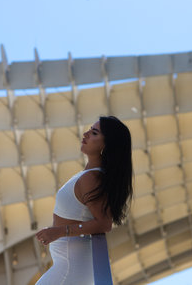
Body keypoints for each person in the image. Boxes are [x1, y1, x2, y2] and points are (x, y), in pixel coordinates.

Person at [35, 115, 133, 285]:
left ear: (106, 145)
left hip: (70, 267)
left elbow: (104, 223)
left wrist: (58, 231)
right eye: (90, 129)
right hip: (67, 264)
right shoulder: (89, 174)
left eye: (94, 133)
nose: (86, 134)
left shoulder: (92, 178)